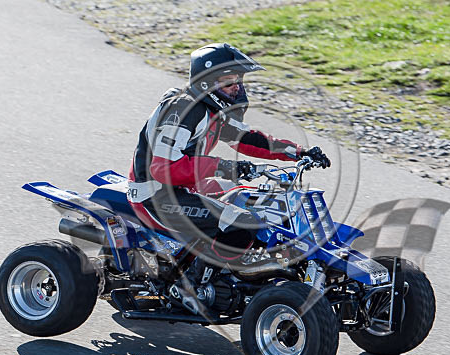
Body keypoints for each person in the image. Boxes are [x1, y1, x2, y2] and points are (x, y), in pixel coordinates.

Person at [127, 42, 330, 260]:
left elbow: (249, 140)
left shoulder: (211, 111)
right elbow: (163, 169)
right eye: (229, 82)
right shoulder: (184, 111)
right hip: (156, 196)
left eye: (239, 81)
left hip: (186, 189)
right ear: (206, 83)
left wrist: (299, 152)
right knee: (243, 222)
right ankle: (198, 287)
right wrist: (223, 167)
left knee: (258, 201)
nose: (237, 88)